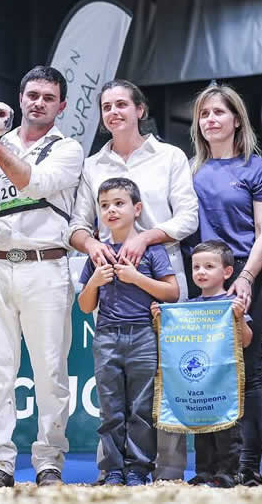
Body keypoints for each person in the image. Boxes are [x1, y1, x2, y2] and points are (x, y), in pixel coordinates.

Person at [68, 79, 199, 482]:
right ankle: (113, 471)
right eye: (106, 106)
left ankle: (166, 472)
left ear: (140, 110)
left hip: (160, 282)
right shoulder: (92, 165)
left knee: (162, 386)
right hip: (110, 289)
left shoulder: (170, 156)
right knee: (113, 396)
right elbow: (76, 225)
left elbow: (188, 217)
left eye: (122, 104)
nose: (114, 112)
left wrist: (145, 237)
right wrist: (92, 244)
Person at [0, 65, 84, 487]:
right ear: (20, 98)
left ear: (61, 106)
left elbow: (32, 182)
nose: (39, 103)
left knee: (50, 371)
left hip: (45, 265)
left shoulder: (68, 149)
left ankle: (49, 462)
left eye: (48, 98)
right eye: (33, 95)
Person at [187, 84, 262, 486]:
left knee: (249, 374)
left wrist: (245, 277)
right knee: (205, 375)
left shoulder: (260, 169)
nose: (210, 120)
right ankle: (213, 468)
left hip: (246, 275)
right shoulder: (189, 171)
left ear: (237, 119)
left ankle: (248, 467)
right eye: (204, 114)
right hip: (200, 280)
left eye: (218, 112)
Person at [78, 177, 179, 486]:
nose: (111, 210)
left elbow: (172, 292)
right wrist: (94, 282)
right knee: (110, 408)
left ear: (137, 209)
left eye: (119, 203)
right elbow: (85, 305)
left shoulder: (152, 250)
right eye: (104, 205)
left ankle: (138, 469)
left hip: (144, 335)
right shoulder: (98, 255)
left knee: (141, 407)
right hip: (107, 335)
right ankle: (112, 469)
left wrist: (136, 278)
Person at [152, 241, 253, 488]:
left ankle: (227, 473)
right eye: (196, 267)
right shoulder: (187, 306)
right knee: (201, 429)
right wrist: (162, 318)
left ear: (227, 272)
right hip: (200, 385)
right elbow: (174, 338)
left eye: (209, 266)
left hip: (223, 385)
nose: (201, 272)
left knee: (226, 430)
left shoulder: (232, 304)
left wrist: (239, 318)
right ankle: (205, 472)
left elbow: (246, 340)